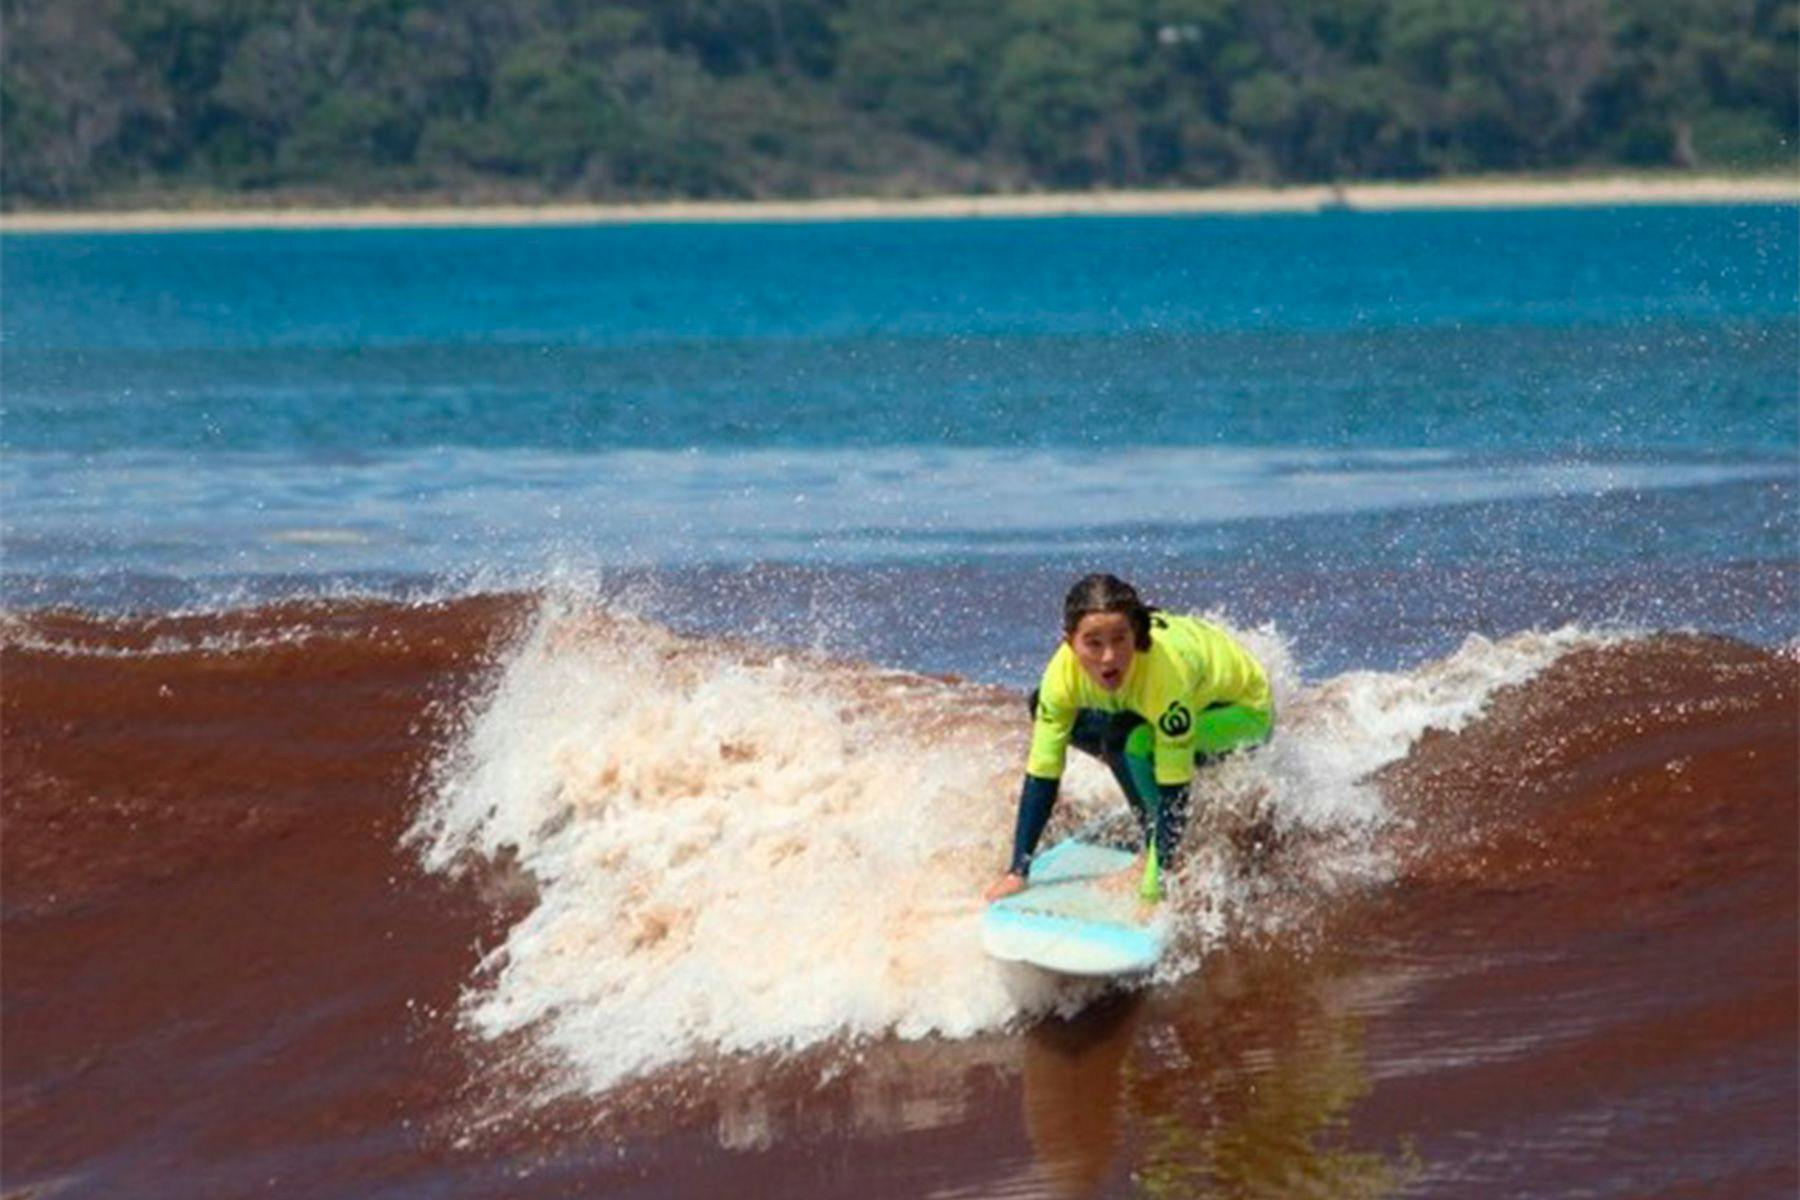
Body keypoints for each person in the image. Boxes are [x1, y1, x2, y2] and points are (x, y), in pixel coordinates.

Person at [983, 574, 1274, 904]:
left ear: (1135, 634)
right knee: (1048, 710)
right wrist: (1017, 871)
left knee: (1128, 743)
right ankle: (1142, 794)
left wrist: (1153, 887)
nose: (1109, 657)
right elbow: (1043, 772)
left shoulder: (1165, 680)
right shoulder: (1060, 677)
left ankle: (1157, 851)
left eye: (1120, 639)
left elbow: (1175, 791)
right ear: (1069, 642)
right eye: (1093, 643)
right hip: (1188, 696)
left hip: (1242, 713)